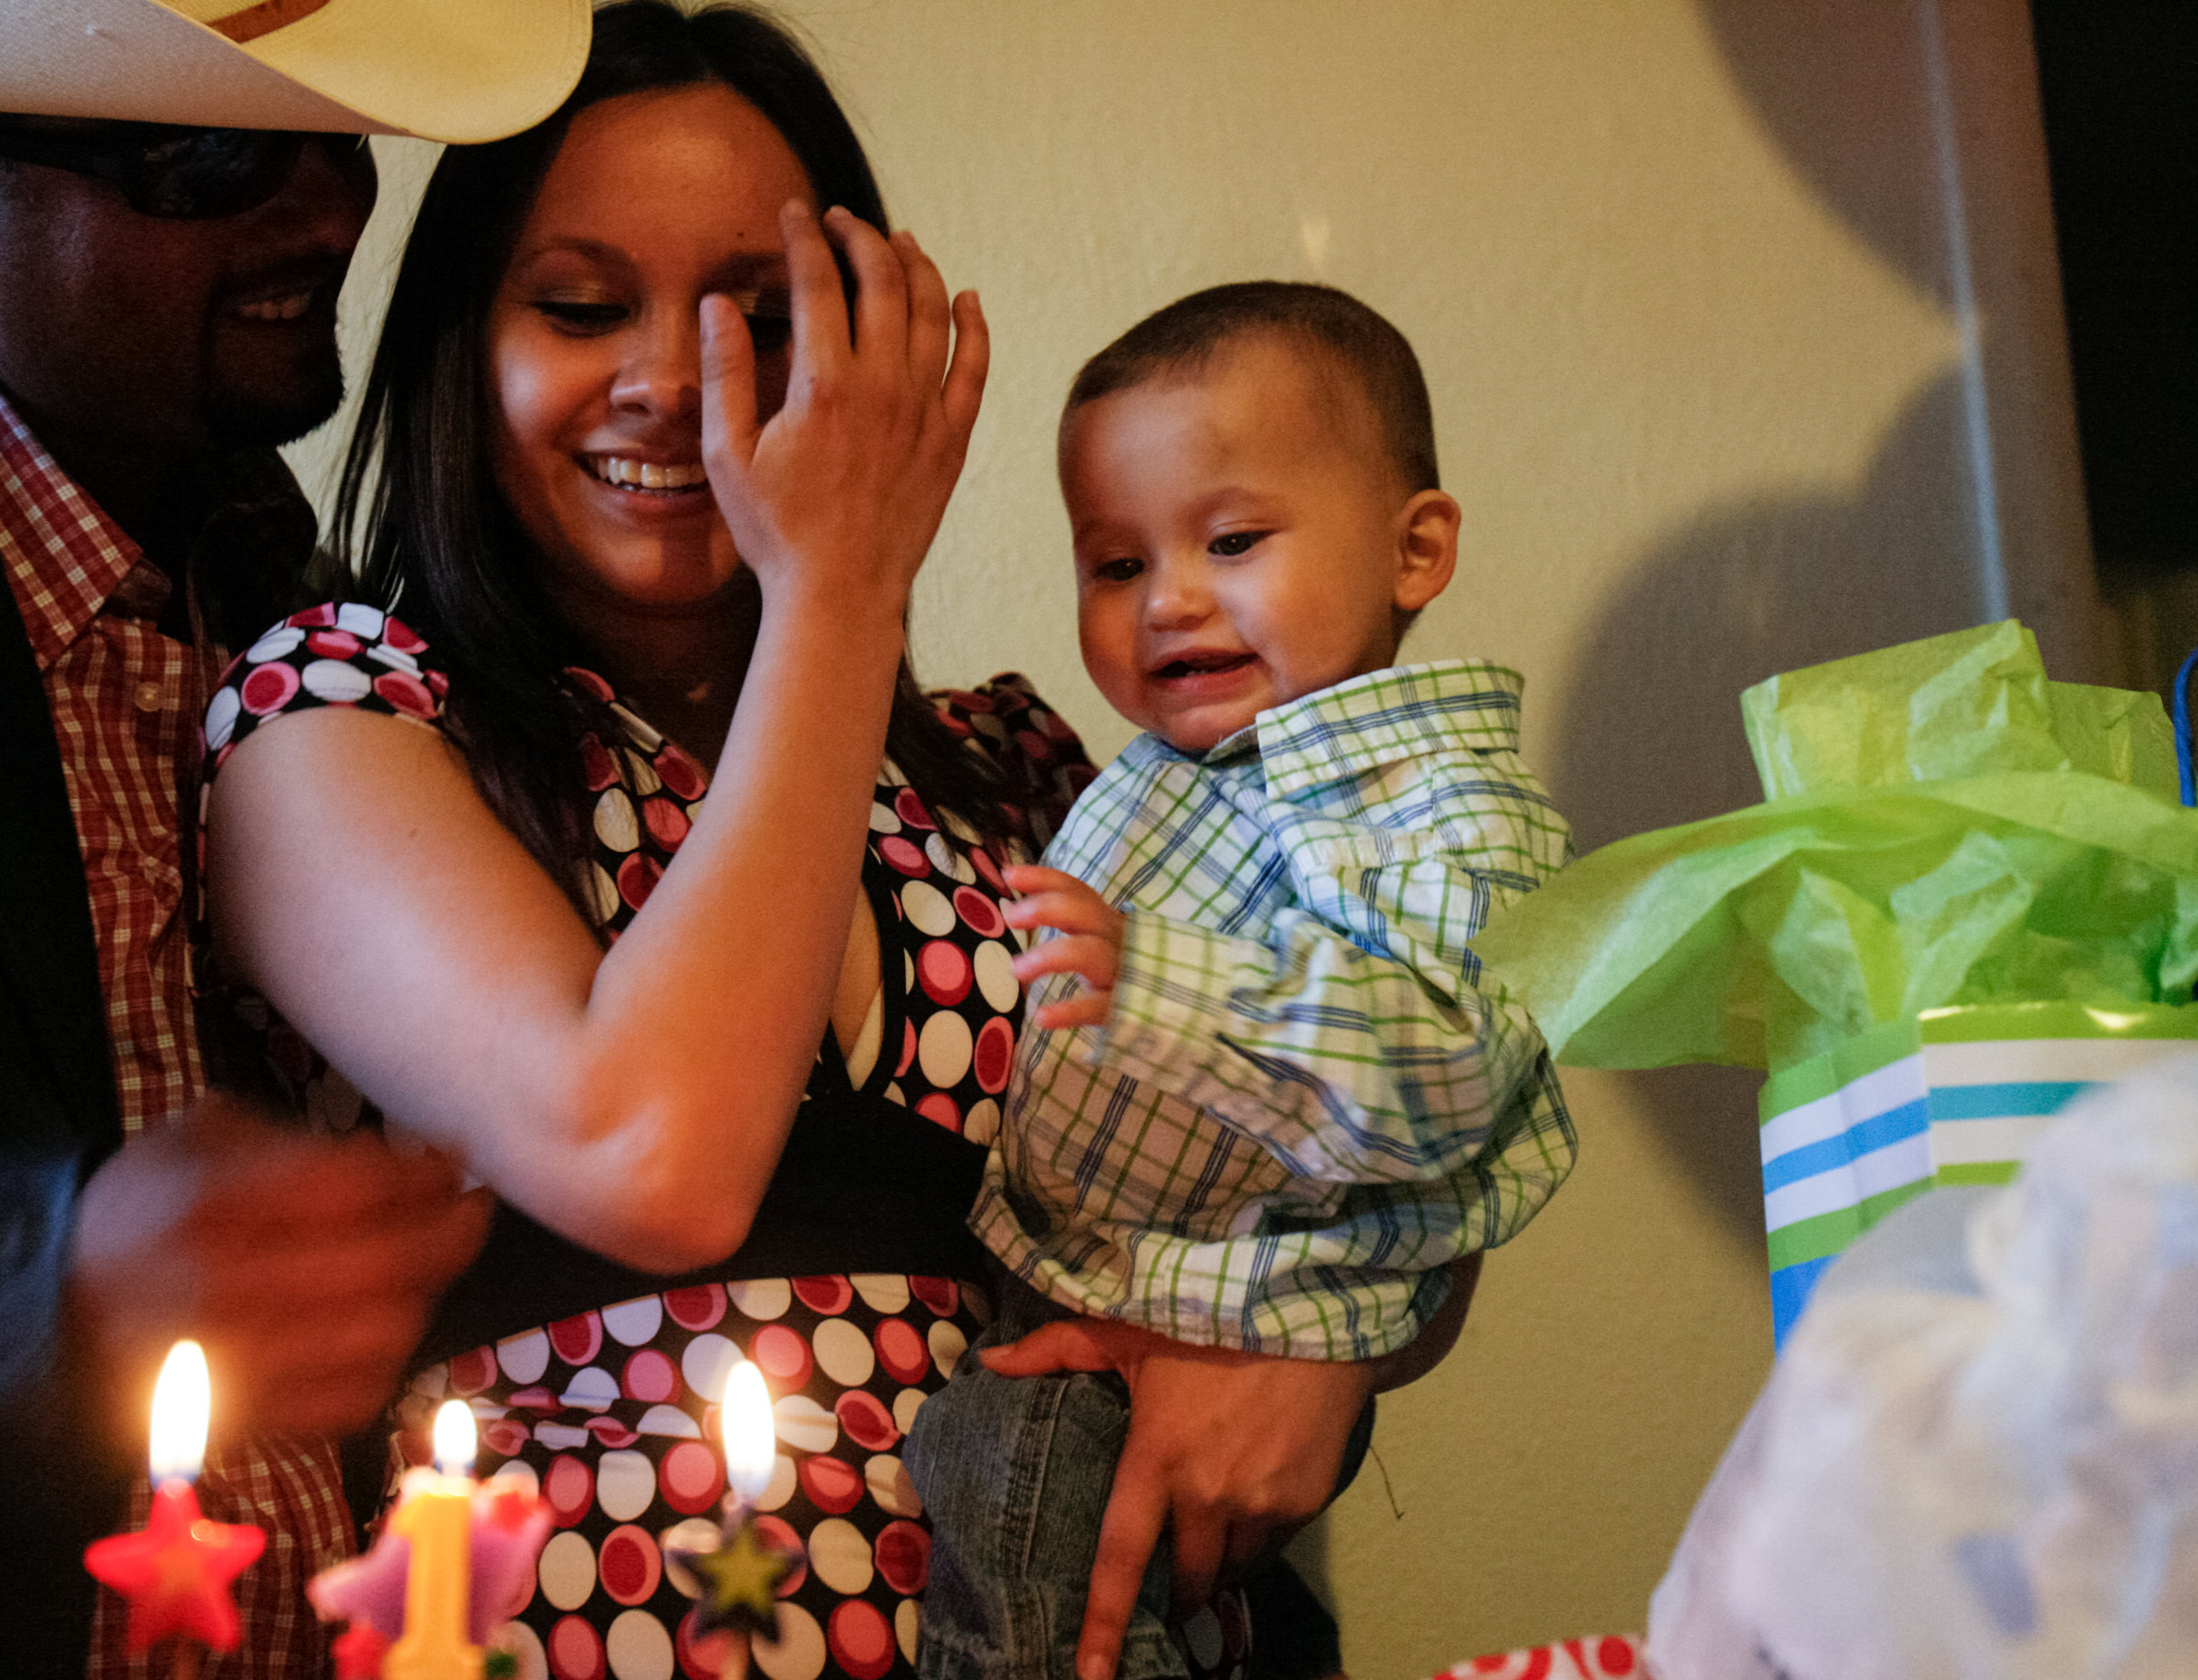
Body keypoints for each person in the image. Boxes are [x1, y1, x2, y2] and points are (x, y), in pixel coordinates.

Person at [197, 11, 1435, 1678]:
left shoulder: (1023, 774)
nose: (673, 380)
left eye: (763, 321)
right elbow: (650, 1154)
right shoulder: (348, 712)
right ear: (460, 351)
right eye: (580, 307)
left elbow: (1393, 1094)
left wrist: (1330, 1352)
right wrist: (836, 589)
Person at [0, 1, 587, 1672]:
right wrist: (46, 1305)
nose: (326, 208)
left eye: (338, 137)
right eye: (208, 155)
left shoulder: (302, 597)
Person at [902, 282, 1577, 1680]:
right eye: (1113, 563)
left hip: (1252, 1319)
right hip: (1121, 1307)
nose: (1171, 600)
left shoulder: (1436, 801)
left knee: (1034, 1543)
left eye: (1231, 539)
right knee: (996, 1474)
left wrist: (1154, 981)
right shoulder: (1173, 778)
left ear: (1417, 548)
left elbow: (1449, 1062)